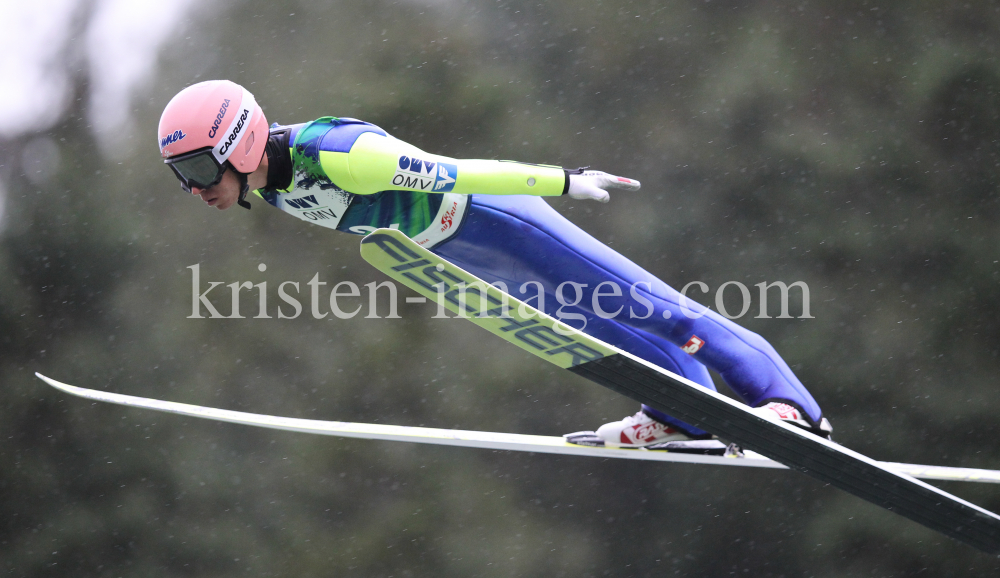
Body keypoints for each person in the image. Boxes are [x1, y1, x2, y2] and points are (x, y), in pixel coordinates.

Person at [158, 80, 832, 447]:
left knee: (644, 305)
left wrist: (561, 181)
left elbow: (457, 172)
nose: (193, 189)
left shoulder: (336, 153)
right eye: (177, 176)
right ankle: (684, 409)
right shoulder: (266, 186)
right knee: (593, 331)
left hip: (498, 218)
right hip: (458, 249)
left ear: (239, 142)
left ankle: (786, 402)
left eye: (195, 168)